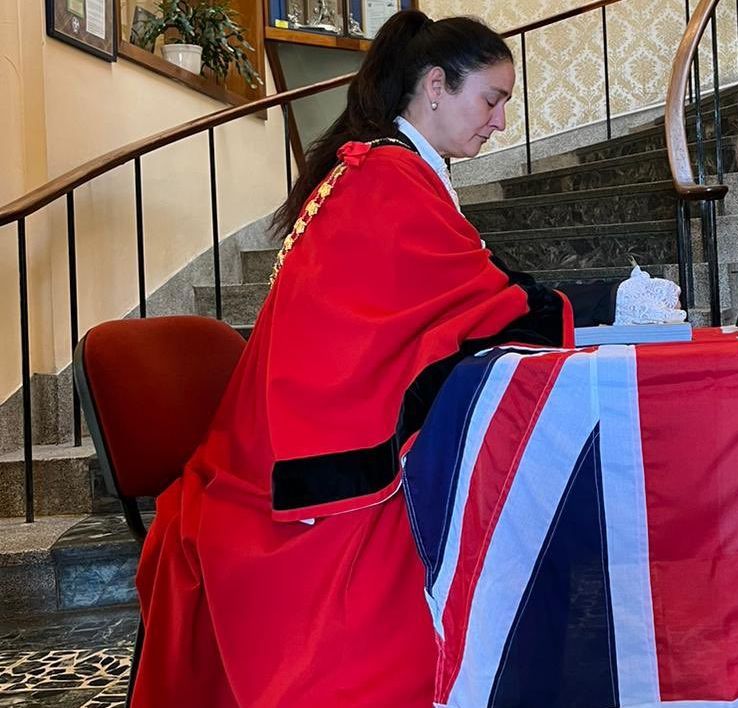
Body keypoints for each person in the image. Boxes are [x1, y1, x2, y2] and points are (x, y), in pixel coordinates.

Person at [132, 11, 681, 707]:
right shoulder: (389, 174)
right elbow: (488, 302)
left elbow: (472, 291)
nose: (501, 121)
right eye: (492, 98)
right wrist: (609, 305)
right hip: (308, 481)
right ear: (433, 86)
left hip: (288, 437)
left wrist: (594, 300)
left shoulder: (384, 162)